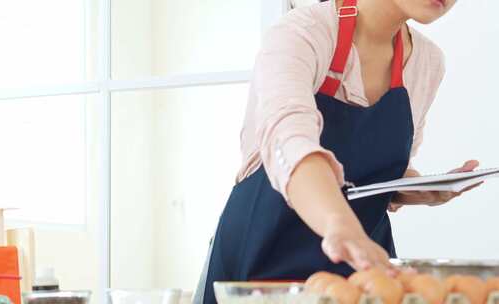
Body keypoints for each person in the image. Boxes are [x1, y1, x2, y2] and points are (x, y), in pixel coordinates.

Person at [194, 0, 479, 303]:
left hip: (360, 272)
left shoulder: (427, 62)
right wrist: (340, 225)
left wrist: (419, 189)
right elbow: (289, 142)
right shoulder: (303, 31)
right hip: (263, 266)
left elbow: (373, 170)